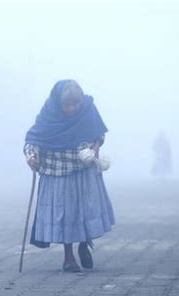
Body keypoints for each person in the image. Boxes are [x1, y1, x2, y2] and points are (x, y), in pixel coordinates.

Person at [23, 80, 115, 272]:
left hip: (83, 167)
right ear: (59, 103)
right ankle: (68, 257)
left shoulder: (88, 109)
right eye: (67, 105)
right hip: (57, 170)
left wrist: (97, 145)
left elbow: (99, 133)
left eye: (76, 104)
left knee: (84, 210)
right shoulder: (49, 113)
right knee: (65, 214)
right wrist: (31, 156)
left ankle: (83, 244)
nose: (72, 109)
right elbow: (34, 138)